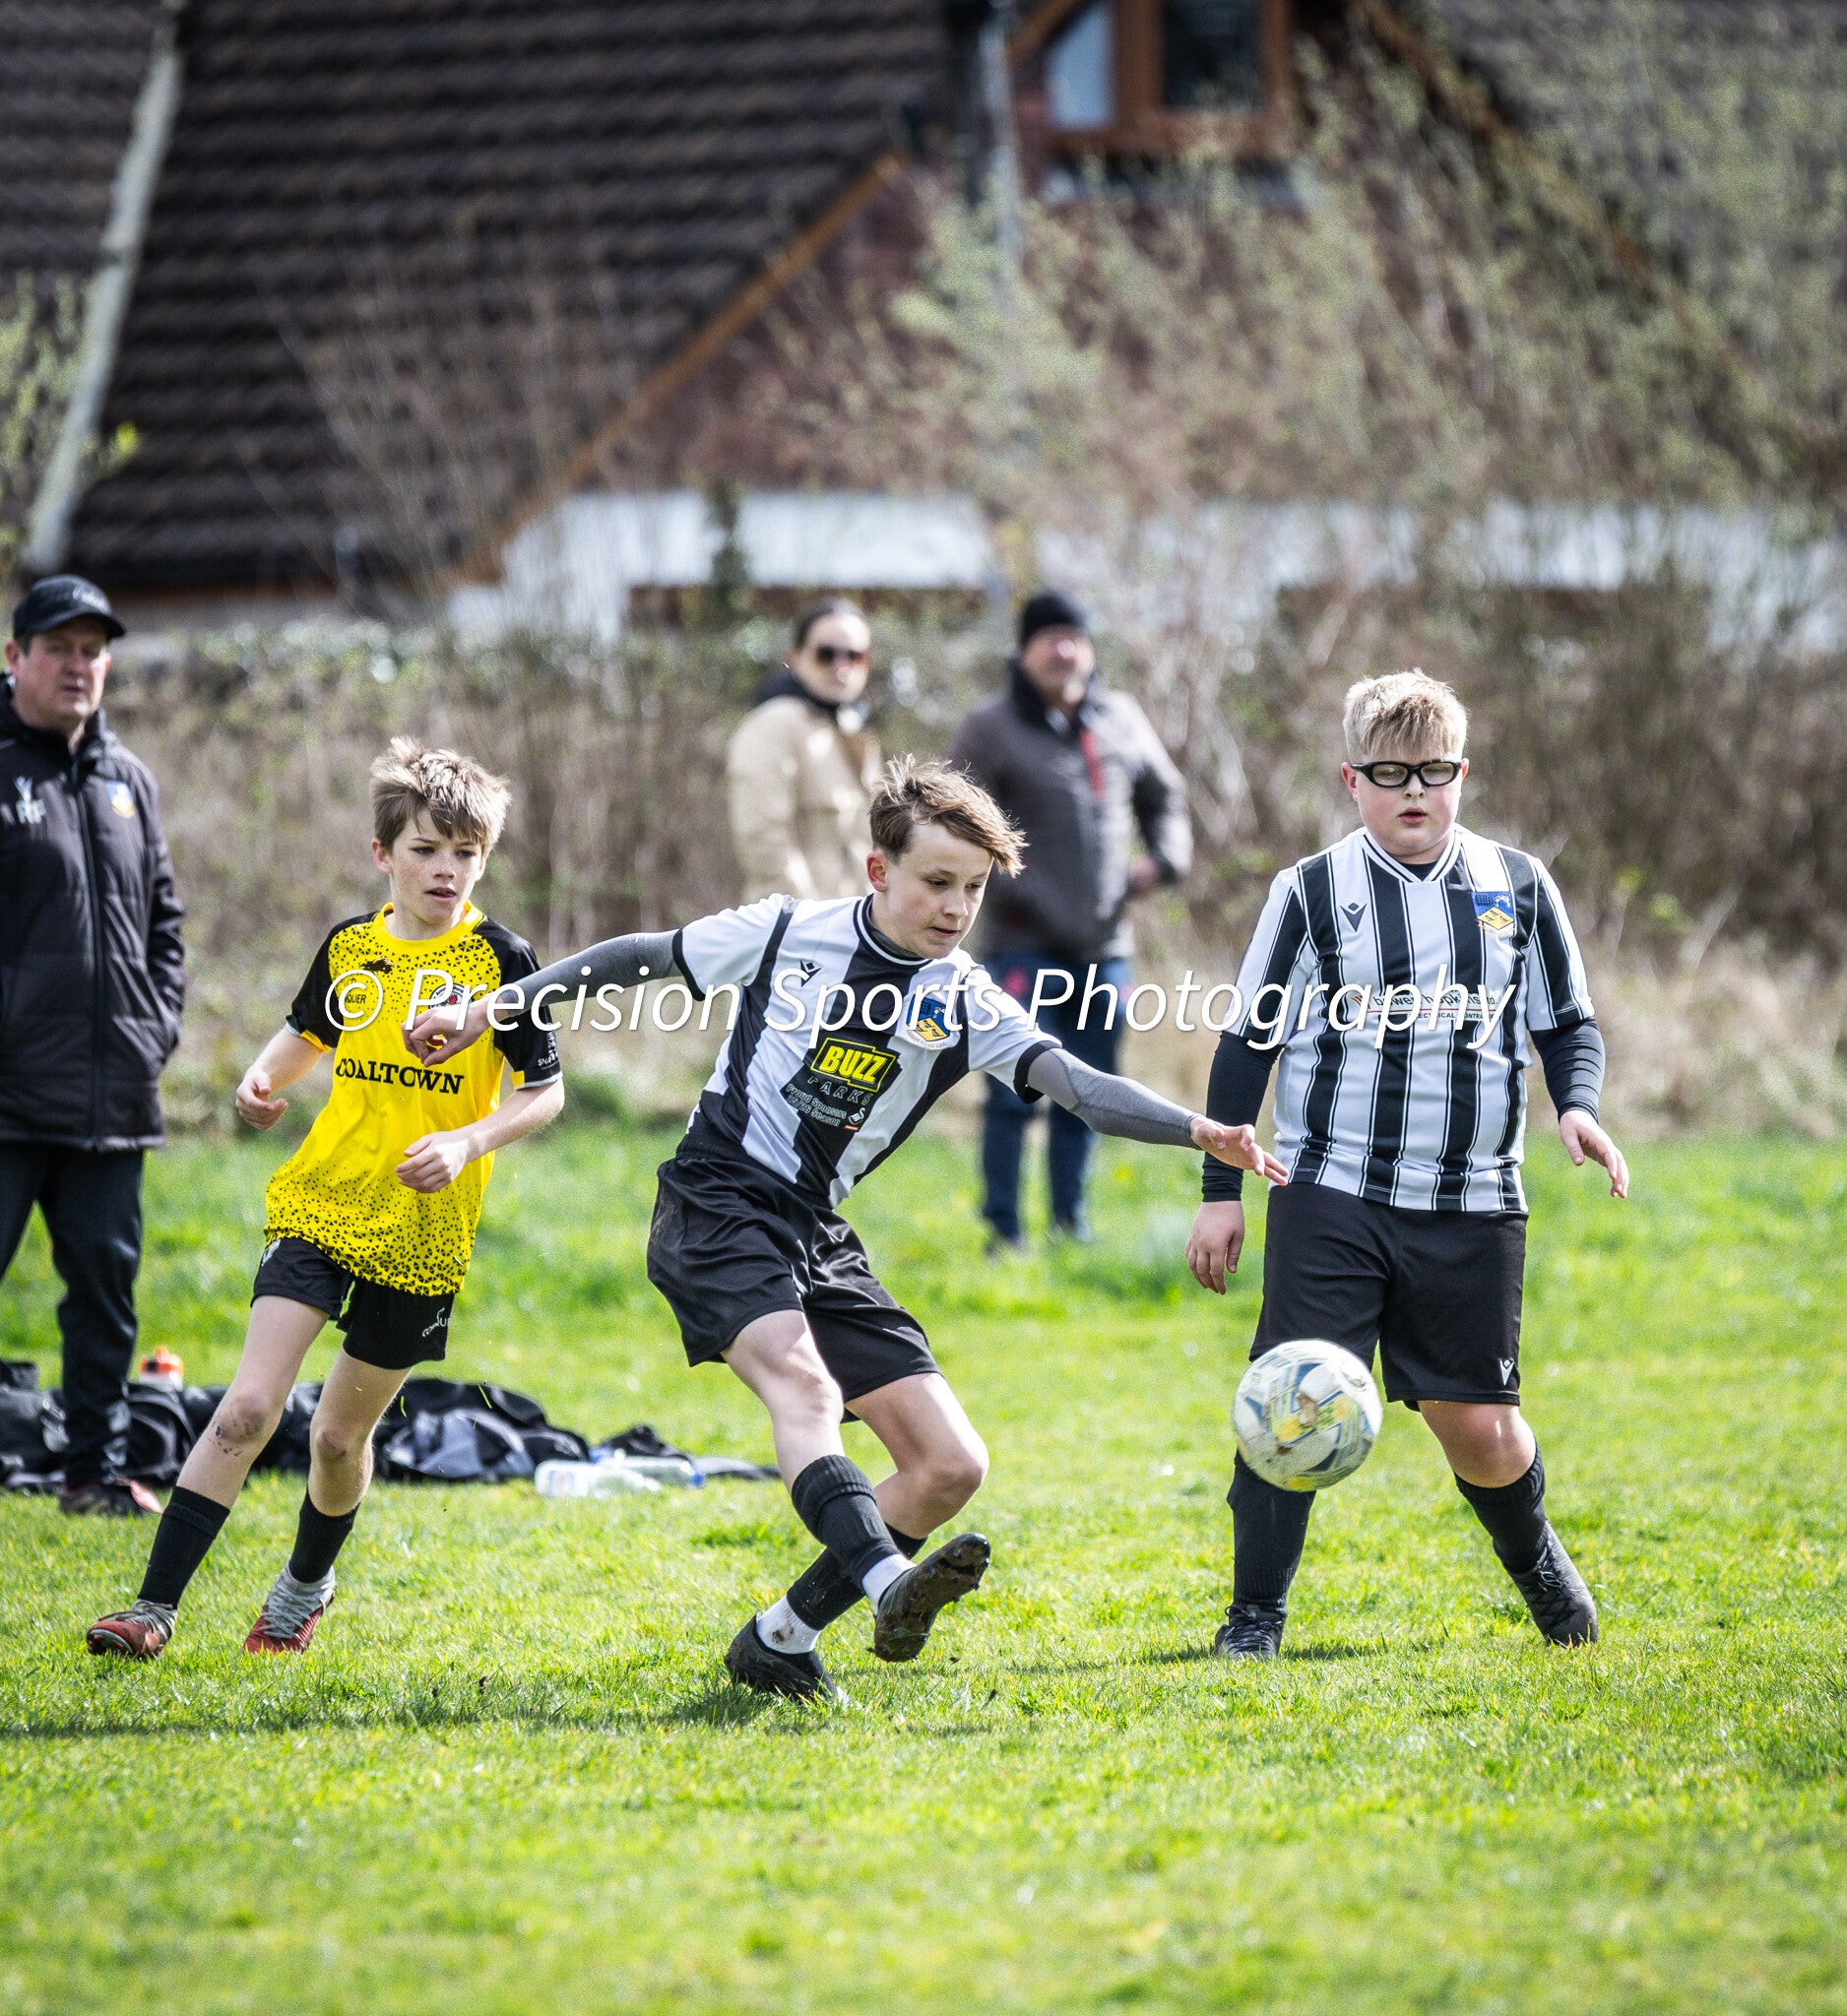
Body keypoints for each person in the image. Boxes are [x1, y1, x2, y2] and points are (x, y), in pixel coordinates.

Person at [404, 757, 1283, 1703]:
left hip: (815, 1232)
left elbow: (1076, 1086)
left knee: (951, 1466)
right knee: (805, 1388)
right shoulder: (786, 932)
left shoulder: (964, 1000)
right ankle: (887, 1583)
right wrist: (487, 1009)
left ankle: (779, 1640)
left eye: (974, 890)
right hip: (718, 1201)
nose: (955, 908)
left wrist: (1195, 1128)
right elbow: (634, 958)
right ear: (878, 872)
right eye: (935, 882)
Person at [87, 741, 564, 1660]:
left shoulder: (504, 961)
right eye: (428, 849)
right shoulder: (351, 946)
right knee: (246, 1409)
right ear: (384, 854)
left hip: (425, 1230)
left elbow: (544, 1092)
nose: (447, 870)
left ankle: (304, 1587)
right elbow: (307, 1032)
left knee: (340, 1441)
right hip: (319, 1203)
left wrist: (468, 1140)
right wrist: (261, 1081)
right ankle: (149, 1611)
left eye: (467, 853)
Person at [1185, 669, 1628, 1659]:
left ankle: (1546, 1575)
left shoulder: (1517, 885)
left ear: (1462, 772)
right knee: (1287, 1400)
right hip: (1327, 1187)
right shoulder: (1307, 891)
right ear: (1352, 779)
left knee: (1478, 1427)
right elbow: (1245, 1042)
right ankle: (1253, 1616)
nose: (1412, 790)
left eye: (1432, 770)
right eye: (1390, 772)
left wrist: (1579, 1107)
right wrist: (1221, 1192)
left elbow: (1565, 1024)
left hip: (1470, 1200)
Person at [0, 575, 185, 1517]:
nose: (79, 665)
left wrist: (156, 1029)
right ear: (14, 657)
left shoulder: (129, 781)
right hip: (8, 1099)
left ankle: (95, 1476)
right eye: (59, 647)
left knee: (105, 1298)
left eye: (93, 649)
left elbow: (164, 924)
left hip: (114, 1094)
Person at [949, 590, 1191, 1251]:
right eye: (1048, 638)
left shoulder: (1121, 719)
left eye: (1074, 637)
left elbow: (1164, 796)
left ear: (1089, 648)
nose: (1063, 650)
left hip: (1105, 947)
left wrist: (1163, 861)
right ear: (1022, 654)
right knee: (1012, 1090)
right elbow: (952, 820)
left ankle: (1070, 1225)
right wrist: (1000, 886)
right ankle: (1003, 1233)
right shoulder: (988, 728)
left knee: (1090, 1091)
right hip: (1022, 948)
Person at [727, 599, 882, 902]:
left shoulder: (854, 727)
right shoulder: (774, 725)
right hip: (797, 930)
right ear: (795, 658)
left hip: (854, 927)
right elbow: (763, 840)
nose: (841, 667)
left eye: (855, 656)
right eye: (826, 654)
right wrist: (803, 924)